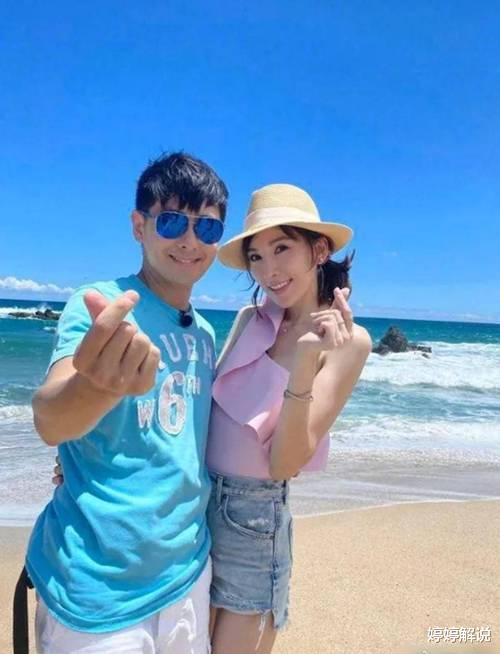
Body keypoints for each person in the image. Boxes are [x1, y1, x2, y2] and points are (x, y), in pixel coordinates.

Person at [23, 152, 229, 653]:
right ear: (140, 226)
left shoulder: (205, 334)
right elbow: (51, 419)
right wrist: (97, 388)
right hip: (97, 583)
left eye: (206, 227)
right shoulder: (101, 304)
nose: (189, 240)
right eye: (173, 221)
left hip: (188, 571)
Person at [205, 183, 372, 653]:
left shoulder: (349, 342)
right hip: (193, 506)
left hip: (253, 523)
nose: (269, 271)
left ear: (318, 250)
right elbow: (204, 416)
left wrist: (306, 357)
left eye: (282, 249)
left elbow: (284, 463)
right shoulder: (248, 319)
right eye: (256, 257)